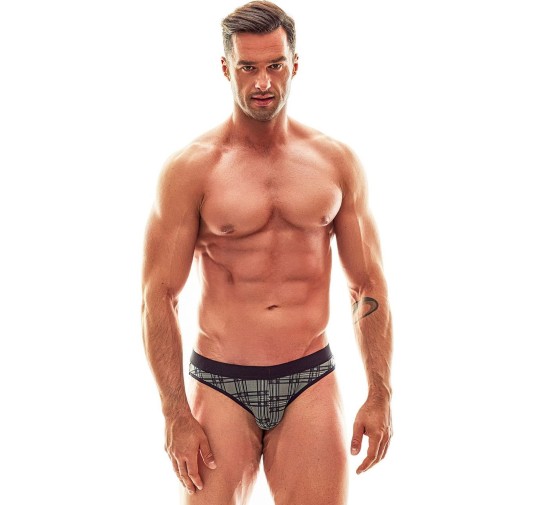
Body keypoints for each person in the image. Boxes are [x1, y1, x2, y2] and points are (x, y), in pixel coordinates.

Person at [141, 1, 393, 503]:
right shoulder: (191, 170)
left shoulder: (334, 163)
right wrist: (175, 413)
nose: (263, 82)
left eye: (275, 65)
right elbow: (158, 296)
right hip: (220, 382)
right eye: (248, 67)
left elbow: (368, 285)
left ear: (295, 64)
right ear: (226, 68)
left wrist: (380, 393)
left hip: (309, 381)